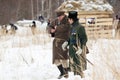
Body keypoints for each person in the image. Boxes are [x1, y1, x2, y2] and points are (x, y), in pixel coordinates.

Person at [62, 11, 88, 78]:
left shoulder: (80, 27)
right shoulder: (72, 27)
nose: (68, 20)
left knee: (79, 70)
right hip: (72, 52)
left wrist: (81, 49)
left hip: (78, 52)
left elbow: (84, 39)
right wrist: (67, 42)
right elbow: (71, 38)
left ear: (71, 19)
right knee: (75, 70)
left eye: (69, 19)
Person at [49, 11, 70, 79]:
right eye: (58, 16)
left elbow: (66, 27)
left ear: (63, 15)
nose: (59, 18)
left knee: (64, 58)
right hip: (56, 42)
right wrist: (51, 30)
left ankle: (66, 73)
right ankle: (62, 72)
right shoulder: (56, 21)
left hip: (64, 42)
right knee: (55, 59)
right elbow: (49, 26)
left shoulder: (67, 20)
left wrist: (56, 28)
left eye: (60, 16)